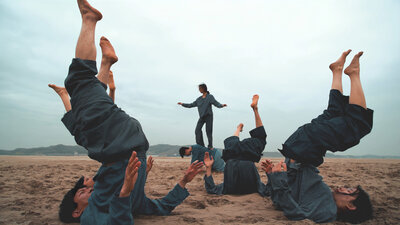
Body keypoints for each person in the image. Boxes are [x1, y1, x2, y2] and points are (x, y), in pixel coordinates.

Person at [51, 1, 204, 224]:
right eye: (81, 192)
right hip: (119, 147)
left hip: (130, 145)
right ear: (77, 211)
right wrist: (125, 191)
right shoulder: (90, 216)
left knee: (83, 127)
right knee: (80, 81)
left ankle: (105, 65)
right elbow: (124, 220)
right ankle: (89, 19)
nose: (86, 188)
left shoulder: (129, 203)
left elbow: (161, 207)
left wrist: (183, 181)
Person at [262, 50, 373, 223]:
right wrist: (276, 179)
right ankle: (337, 71)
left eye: (350, 191)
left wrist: (275, 179)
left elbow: (295, 214)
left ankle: (353, 74)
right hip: (300, 148)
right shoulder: (325, 202)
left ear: (351, 206)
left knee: (357, 125)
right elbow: (283, 202)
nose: (343, 187)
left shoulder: (327, 212)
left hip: (304, 149)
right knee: (333, 113)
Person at [203, 95, 269, 196]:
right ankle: (248, 118)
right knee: (234, 143)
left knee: (259, 138)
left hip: (235, 162)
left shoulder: (228, 188)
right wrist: (270, 174)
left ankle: (241, 125)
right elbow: (211, 189)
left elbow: (211, 189)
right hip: (235, 159)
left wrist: (208, 168)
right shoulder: (229, 188)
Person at [178, 83, 227, 149]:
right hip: (202, 117)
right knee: (197, 130)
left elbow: (216, 103)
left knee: (208, 131)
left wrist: (221, 105)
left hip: (208, 116)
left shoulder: (210, 97)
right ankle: (200, 145)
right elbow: (191, 105)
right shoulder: (199, 99)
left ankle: (210, 146)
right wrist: (182, 104)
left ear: (204, 88)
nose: (199, 90)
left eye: (200, 88)